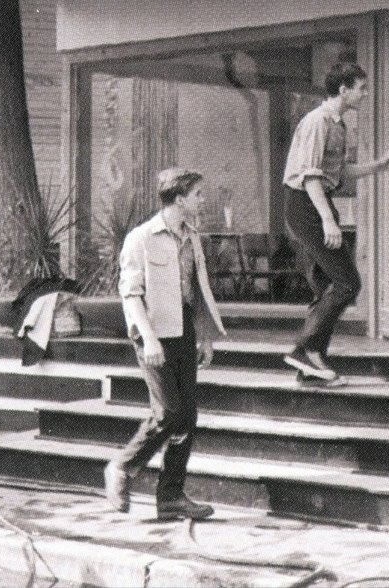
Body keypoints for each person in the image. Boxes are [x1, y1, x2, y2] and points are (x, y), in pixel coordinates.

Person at [104, 168, 226, 521]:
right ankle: (122, 467)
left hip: (184, 331)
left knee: (187, 416)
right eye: (198, 194)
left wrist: (203, 336)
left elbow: (196, 292)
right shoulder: (140, 238)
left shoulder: (192, 237)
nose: (203, 201)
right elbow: (130, 295)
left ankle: (171, 496)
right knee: (168, 413)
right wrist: (150, 338)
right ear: (179, 198)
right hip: (152, 334)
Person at [282, 62, 389, 387]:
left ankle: (311, 368)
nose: (365, 93)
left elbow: (337, 171)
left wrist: (375, 167)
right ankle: (305, 350)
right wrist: (329, 220)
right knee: (347, 283)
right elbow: (311, 176)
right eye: (361, 87)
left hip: (313, 201)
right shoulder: (318, 122)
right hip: (305, 202)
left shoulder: (338, 124)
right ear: (343, 90)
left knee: (326, 285)